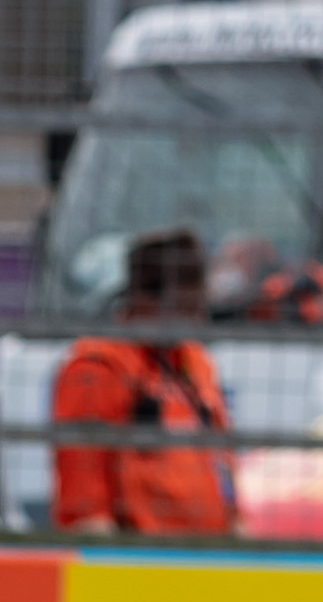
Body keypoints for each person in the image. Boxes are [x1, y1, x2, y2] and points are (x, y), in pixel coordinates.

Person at [47, 225, 238, 534]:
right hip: (139, 564)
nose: (198, 320)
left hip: (209, 561)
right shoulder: (97, 369)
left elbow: (224, 469)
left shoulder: (196, 363)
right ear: (144, 298)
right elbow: (85, 506)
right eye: (187, 308)